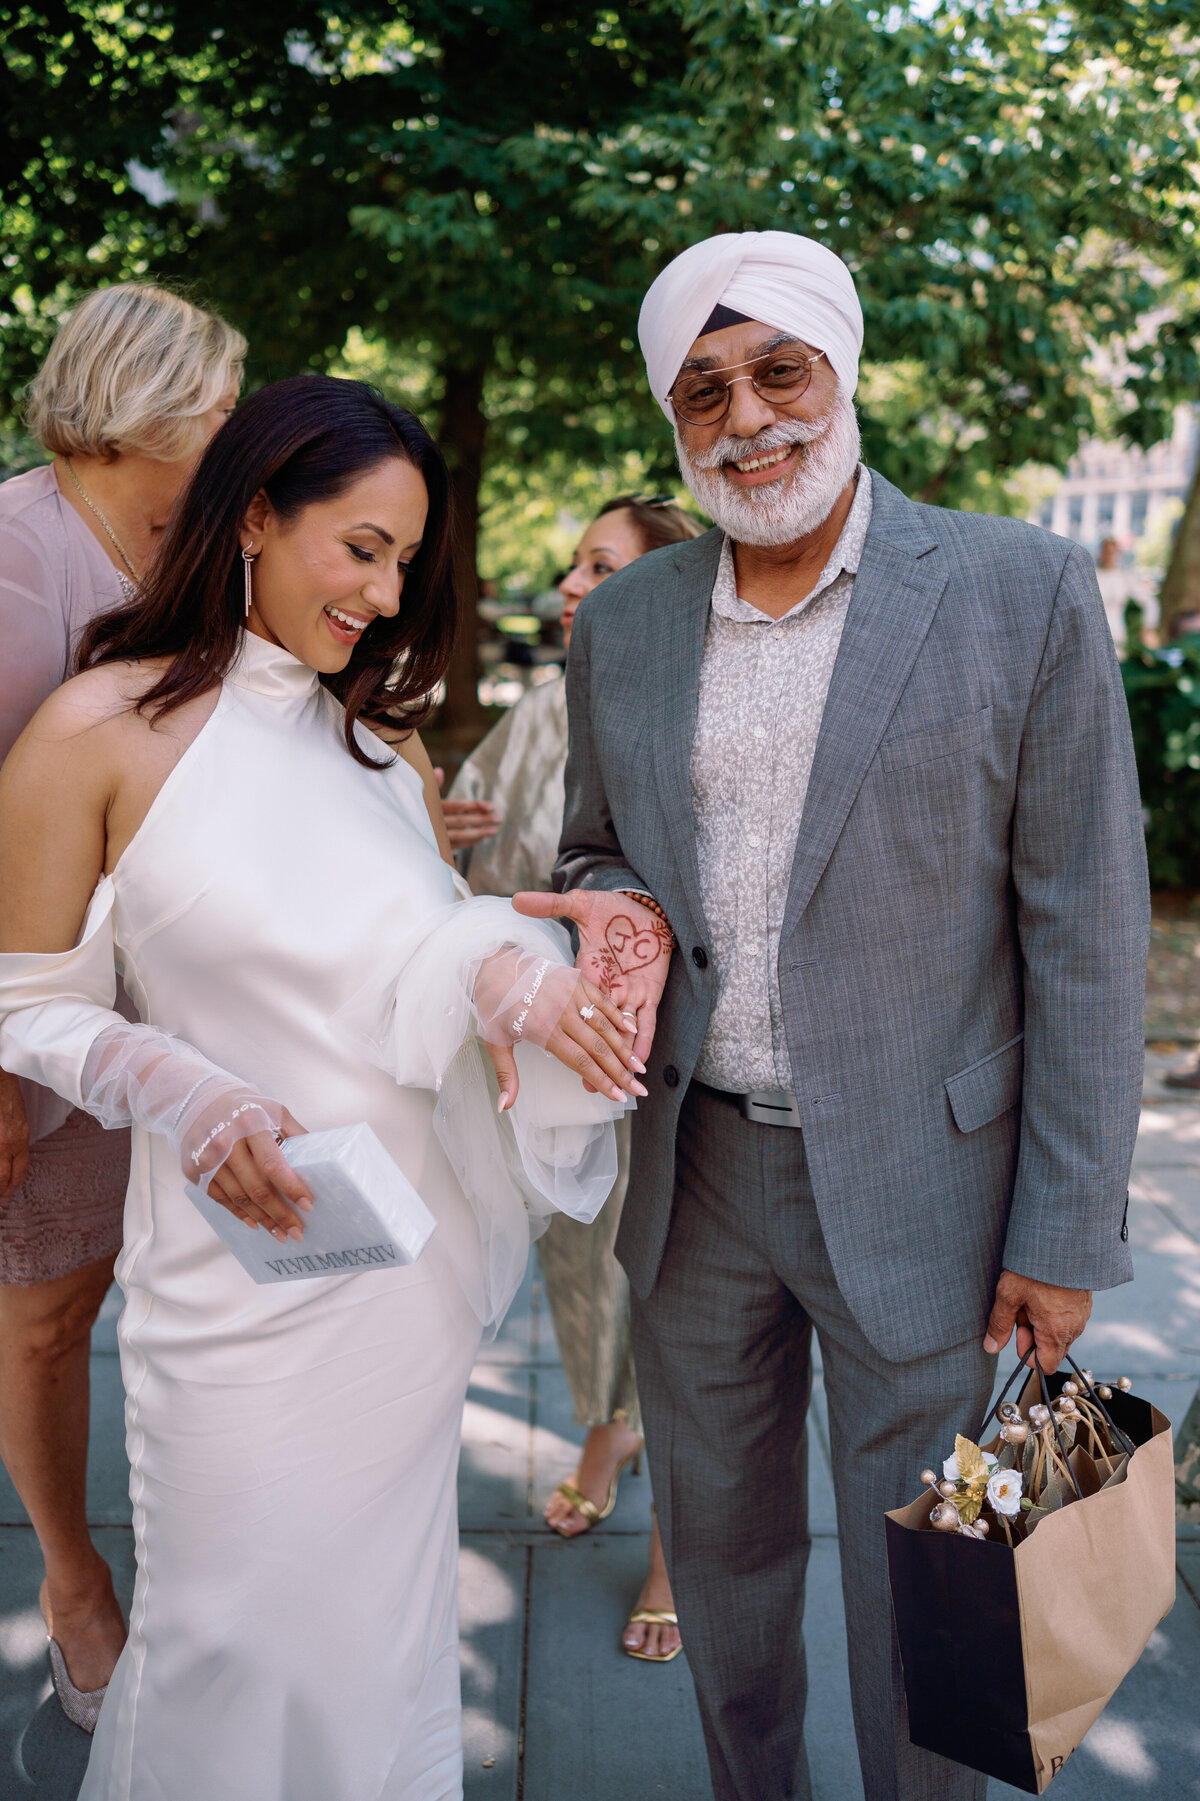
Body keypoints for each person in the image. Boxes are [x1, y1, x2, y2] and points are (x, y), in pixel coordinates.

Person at [516, 230, 1149, 1801]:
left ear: (842, 371)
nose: (749, 420)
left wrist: (1065, 1224)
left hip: (933, 1186)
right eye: (705, 391)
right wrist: (608, 904)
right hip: (699, 1170)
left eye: (778, 371)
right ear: (676, 424)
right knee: (723, 1577)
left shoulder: (1023, 586)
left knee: (930, 1598)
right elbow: (595, 842)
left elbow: (1086, 927)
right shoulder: (627, 621)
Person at [0, 374, 646, 1800]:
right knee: (233, 1643)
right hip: (238, 1289)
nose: (383, 589)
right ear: (248, 514)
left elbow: (423, 948)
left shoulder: (374, 746)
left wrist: (521, 968)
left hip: (400, 1283)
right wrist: (187, 1092)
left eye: (406, 560)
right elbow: (23, 1000)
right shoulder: (93, 731)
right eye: (360, 546)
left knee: (380, 1642)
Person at [0, 282, 244, 1725]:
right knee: (45, 1309)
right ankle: (75, 1581)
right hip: (32, 1010)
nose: (229, 434)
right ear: (144, 405)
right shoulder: (10, 553)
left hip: (172, 1009)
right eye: (216, 409)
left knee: (156, 1288)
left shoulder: (188, 551)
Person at [449, 496, 701, 1664]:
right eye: (572, 562)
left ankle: (672, 1557)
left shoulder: (691, 711)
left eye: (602, 565)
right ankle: (606, 1438)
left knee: (681, 1302)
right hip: (551, 1065)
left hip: (672, 1070)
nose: (569, 582)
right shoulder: (539, 710)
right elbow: (483, 868)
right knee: (581, 1274)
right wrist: (436, 829)